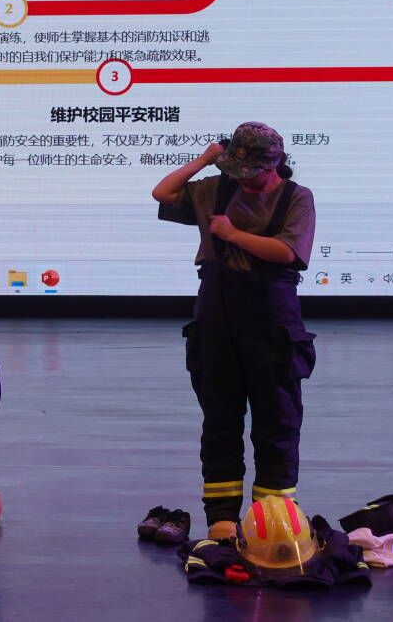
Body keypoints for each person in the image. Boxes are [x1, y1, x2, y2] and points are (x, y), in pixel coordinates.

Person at [151, 122, 317, 541]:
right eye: (234, 169)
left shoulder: (296, 197)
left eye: (250, 172)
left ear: (273, 164)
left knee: (277, 418)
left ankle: (273, 514)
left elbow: (287, 252)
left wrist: (232, 234)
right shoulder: (215, 188)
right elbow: (162, 193)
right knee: (220, 417)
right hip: (216, 311)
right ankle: (222, 516)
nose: (242, 179)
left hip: (272, 315)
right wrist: (205, 159)